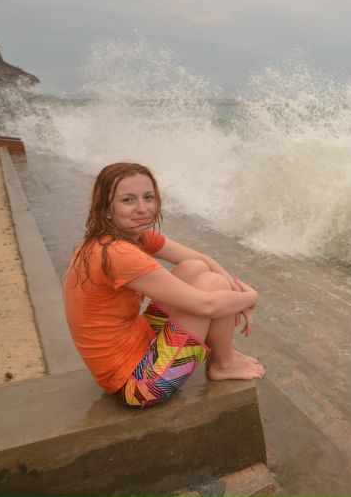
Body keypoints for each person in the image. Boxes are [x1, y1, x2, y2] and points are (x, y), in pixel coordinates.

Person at [63, 162, 265, 408]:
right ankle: (224, 364)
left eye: (148, 197)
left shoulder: (123, 237)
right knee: (212, 286)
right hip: (137, 384)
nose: (142, 208)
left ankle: (224, 357)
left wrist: (238, 297)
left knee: (195, 268)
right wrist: (250, 298)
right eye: (128, 200)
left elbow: (203, 259)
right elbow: (207, 306)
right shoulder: (118, 254)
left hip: (136, 343)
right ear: (106, 209)